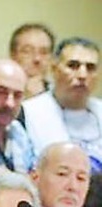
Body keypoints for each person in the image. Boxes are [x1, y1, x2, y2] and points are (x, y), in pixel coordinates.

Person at [23, 38, 101, 169]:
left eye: (90, 68)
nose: (82, 75)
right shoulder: (27, 113)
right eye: (73, 66)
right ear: (54, 69)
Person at [9, 23, 55, 99]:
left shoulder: (60, 98)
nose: (37, 58)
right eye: (27, 51)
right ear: (13, 56)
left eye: (44, 52)